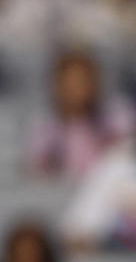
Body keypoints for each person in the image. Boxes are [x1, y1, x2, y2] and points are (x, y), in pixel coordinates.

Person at [27, 49, 135, 181]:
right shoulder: (46, 127)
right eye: (71, 82)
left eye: (83, 81)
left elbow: (126, 157)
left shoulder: (116, 115)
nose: (79, 89)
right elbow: (38, 171)